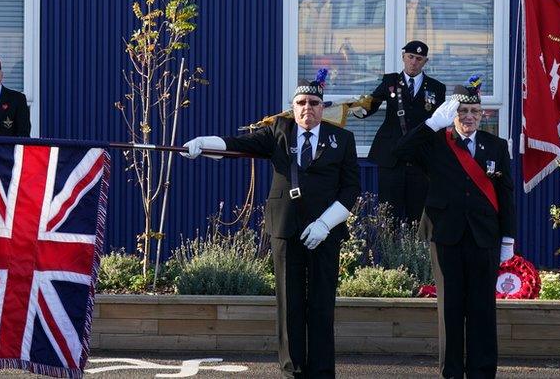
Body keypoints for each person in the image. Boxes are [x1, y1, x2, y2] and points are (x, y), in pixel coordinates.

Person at [181, 71, 360, 379]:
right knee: (289, 303)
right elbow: (238, 144)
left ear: (323, 107)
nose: (308, 108)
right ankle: (293, 370)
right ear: (293, 107)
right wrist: (204, 143)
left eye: (314, 103)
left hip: (324, 232)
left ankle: (321, 370)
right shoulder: (278, 130)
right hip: (286, 229)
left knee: (321, 303)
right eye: (301, 102)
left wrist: (325, 224)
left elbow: (350, 189)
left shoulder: (341, 139)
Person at [393, 75, 515, 379]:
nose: (469, 117)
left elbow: (506, 194)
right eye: (462, 112)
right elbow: (399, 153)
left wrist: (508, 238)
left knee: (482, 307)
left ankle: (482, 371)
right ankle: (451, 372)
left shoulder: (496, 146)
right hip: (445, 234)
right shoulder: (435, 143)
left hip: (484, 235)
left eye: (474, 111)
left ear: (482, 114)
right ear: (453, 114)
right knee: (449, 307)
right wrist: (433, 124)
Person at [359, 40, 446, 220]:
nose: (414, 62)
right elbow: (371, 104)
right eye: (411, 57)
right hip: (392, 156)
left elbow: (440, 123)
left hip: (420, 158)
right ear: (403, 57)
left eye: (419, 59)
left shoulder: (437, 88)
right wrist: (357, 109)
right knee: (389, 215)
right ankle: (389, 249)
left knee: (418, 215)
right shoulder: (390, 82)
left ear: (425, 62)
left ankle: (416, 249)